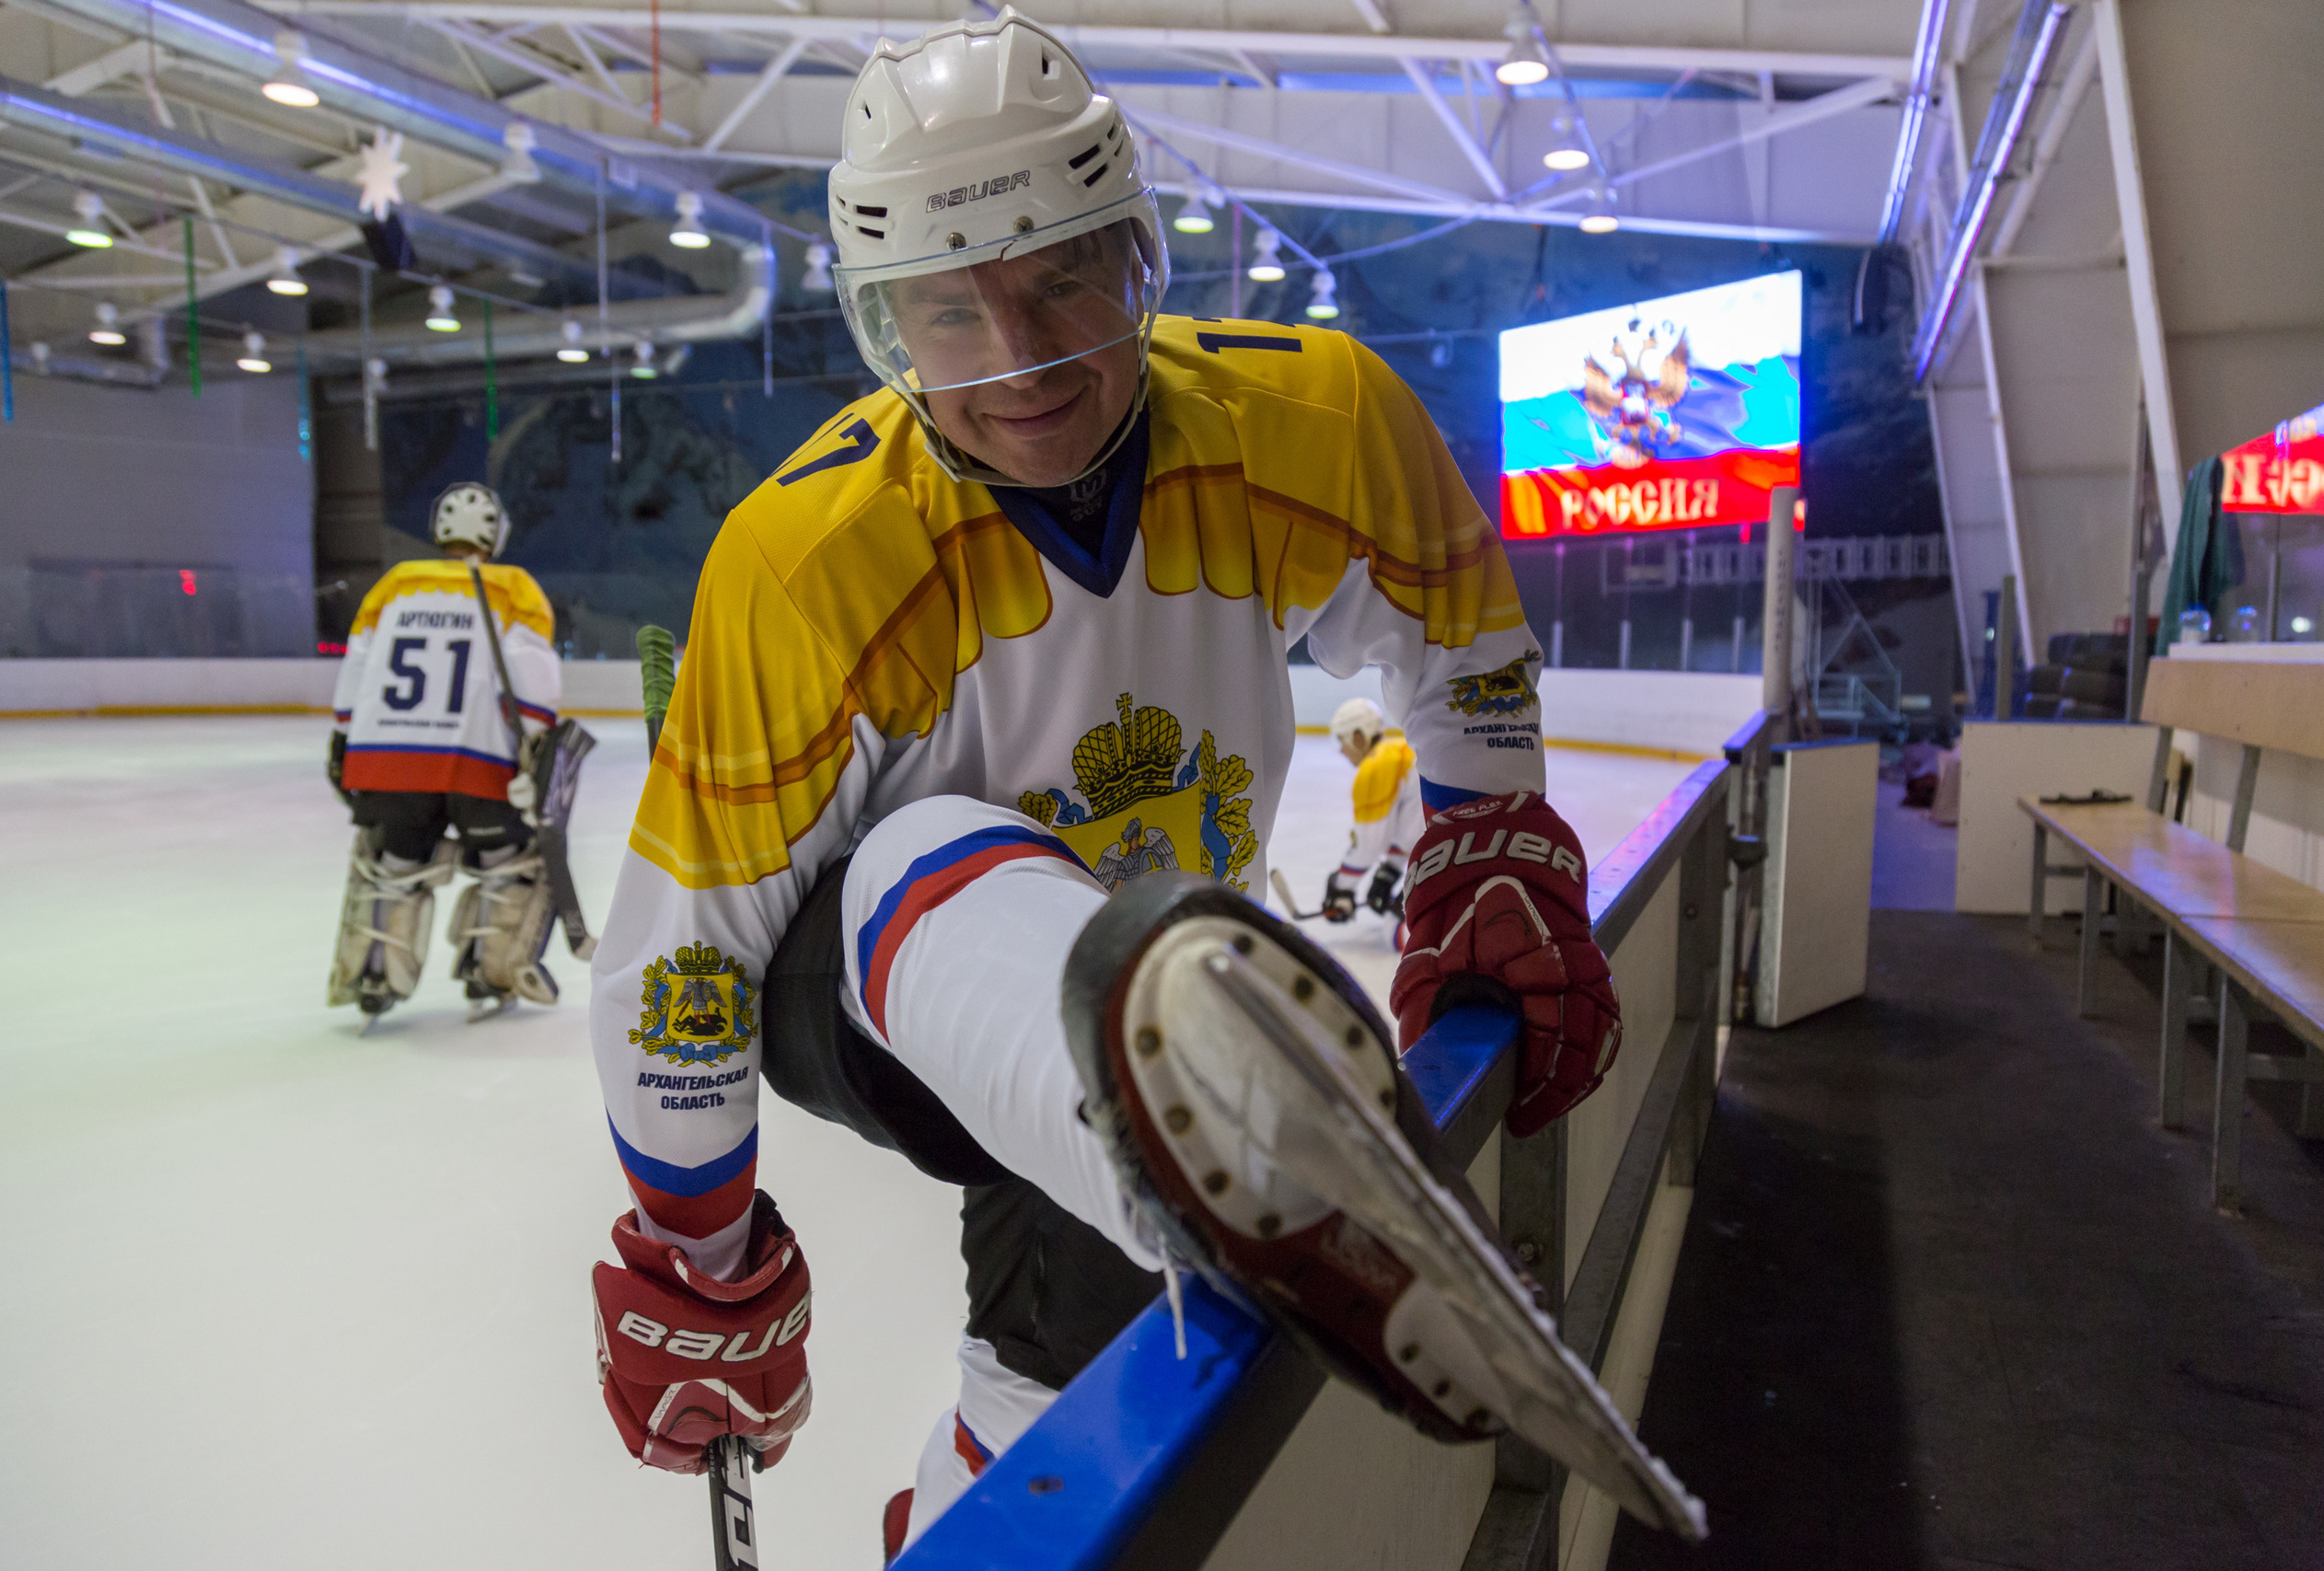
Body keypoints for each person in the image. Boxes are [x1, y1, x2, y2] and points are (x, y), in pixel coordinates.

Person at [585, 11, 1662, 1556]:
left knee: (1089, 1336)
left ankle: (970, 1478)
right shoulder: (808, 556)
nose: (1017, 362)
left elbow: (1456, 632)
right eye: (947, 315)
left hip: (1144, 980)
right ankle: (1176, 1133)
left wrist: (1490, 834)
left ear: (1135, 255)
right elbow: (690, 948)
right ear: (886, 325)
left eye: (1057, 281)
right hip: (870, 990)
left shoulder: (1321, 419)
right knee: (933, 850)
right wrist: (698, 1249)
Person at [326, 481, 565, 1018]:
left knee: (394, 860)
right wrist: (535, 744)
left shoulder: (393, 585)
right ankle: (490, 968)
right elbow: (532, 682)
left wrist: (345, 737)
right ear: (496, 535)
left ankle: (375, 972)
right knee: (507, 861)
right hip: (477, 761)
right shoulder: (515, 589)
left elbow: (358, 666)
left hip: (389, 760)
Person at [1319, 696, 1422, 929]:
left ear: (1358, 736)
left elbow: (1369, 845)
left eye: (1342, 741)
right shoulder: (1399, 751)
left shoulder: (1375, 768)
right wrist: (1390, 871)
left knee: (1398, 936)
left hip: (1455, 862)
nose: (1342, 751)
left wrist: (1342, 888)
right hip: (1474, 845)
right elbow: (1413, 827)